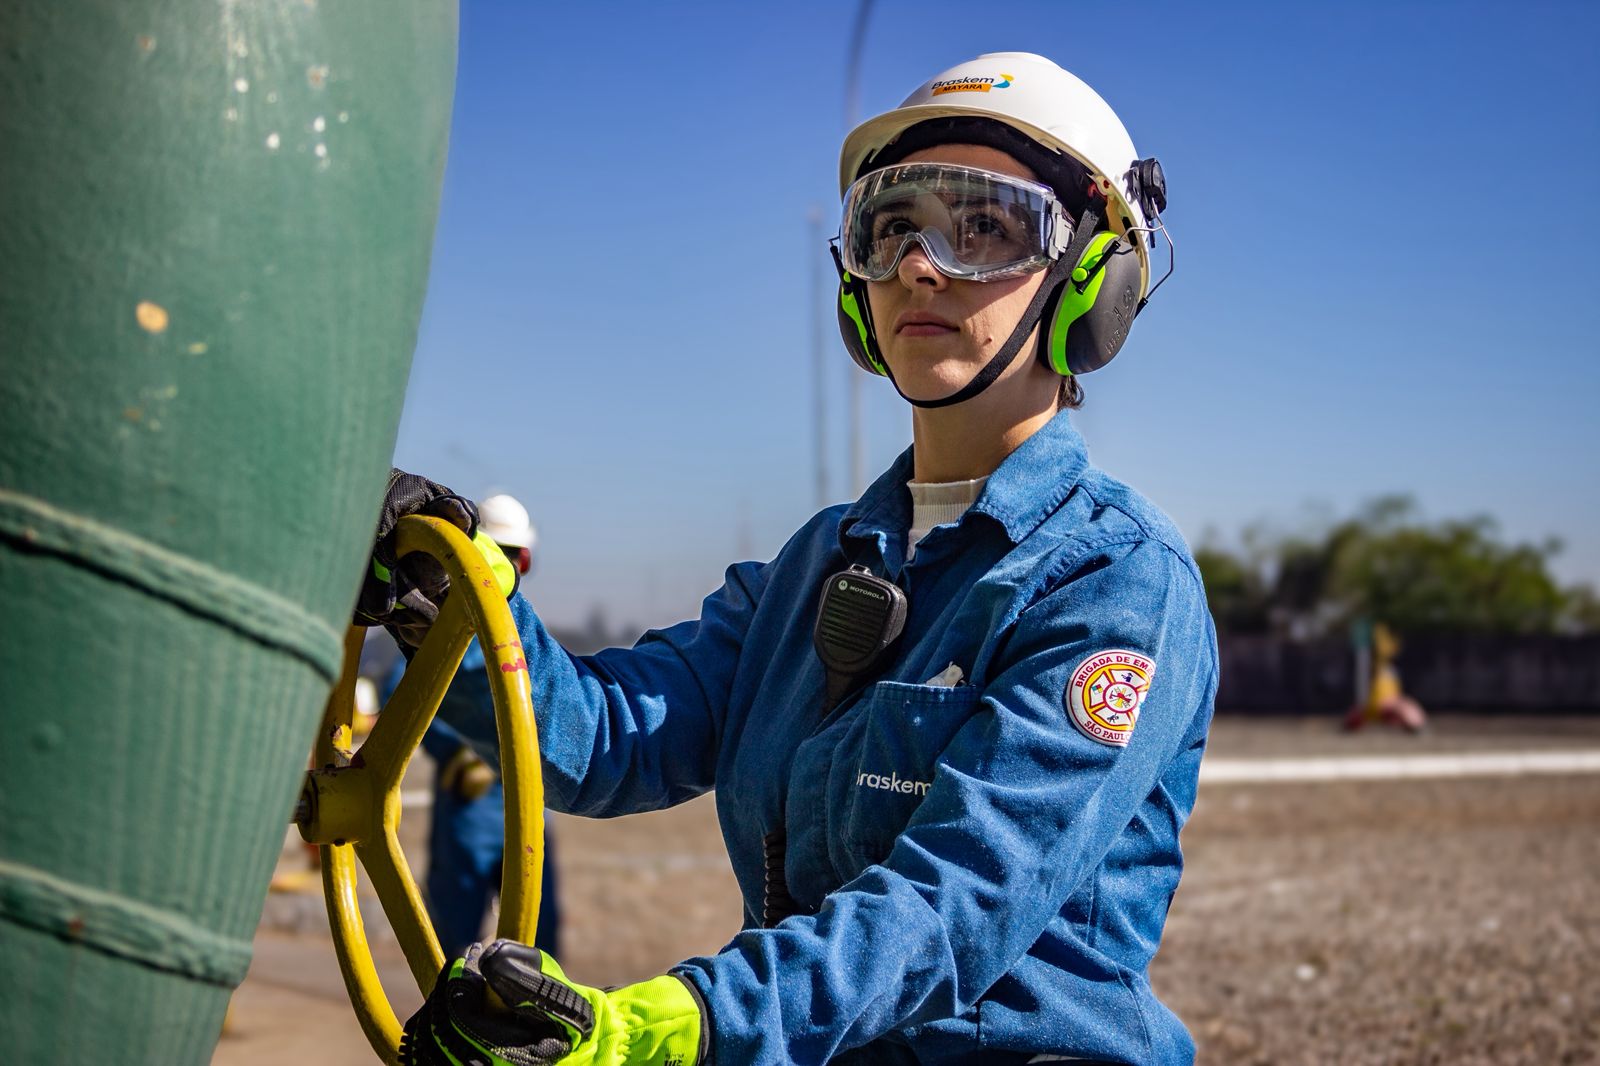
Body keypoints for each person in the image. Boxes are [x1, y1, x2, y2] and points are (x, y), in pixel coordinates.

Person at [371, 52, 1217, 1066]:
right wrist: (450, 611)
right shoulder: (816, 565)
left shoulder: (1115, 580)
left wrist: (669, 1028)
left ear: (1094, 278)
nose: (919, 262)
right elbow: (604, 739)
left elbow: (950, 904)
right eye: (890, 225)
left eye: (986, 224)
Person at [378, 493, 562, 959]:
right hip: (483, 804)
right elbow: (399, 688)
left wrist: (456, 752)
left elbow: (400, 686)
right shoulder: (466, 633)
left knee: (525, 941)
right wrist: (459, 752)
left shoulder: (520, 641)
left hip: (507, 803)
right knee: (478, 940)